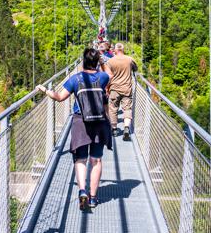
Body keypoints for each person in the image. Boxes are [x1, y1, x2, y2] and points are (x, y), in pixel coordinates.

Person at [37, 47, 112, 211]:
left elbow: (59, 97)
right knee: (96, 160)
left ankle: (82, 191)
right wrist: (102, 63)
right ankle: (93, 198)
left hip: (80, 122)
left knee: (81, 160)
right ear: (96, 62)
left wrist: (45, 90)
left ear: (83, 62)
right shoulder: (103, 77)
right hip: (99, 122)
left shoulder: (75, 79)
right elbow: (110, 76)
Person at [103, 43, 137, 140]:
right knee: (127, 109)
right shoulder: (129, 59)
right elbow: (135, 69)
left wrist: (107, 88)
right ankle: (126, 128)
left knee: (113, 108)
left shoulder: (110, 61)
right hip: (127, 88)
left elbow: (108, 76)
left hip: (114, 89)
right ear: (123, 49)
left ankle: (114, 129)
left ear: (115, 50)